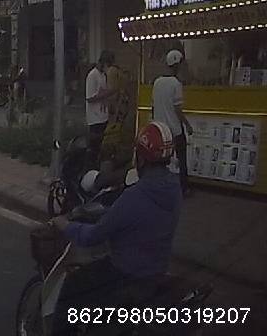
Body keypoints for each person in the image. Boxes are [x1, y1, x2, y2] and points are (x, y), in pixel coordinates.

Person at [52, 121, 182, 329]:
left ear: (140, 158)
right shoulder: (174, 189)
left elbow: (92, 237)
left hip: (124, 273)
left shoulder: (134, 196)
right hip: (156, 271)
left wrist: (65, 225)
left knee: (70, 290)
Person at [152, 50, 194, 196]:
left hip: (160, 129)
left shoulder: (157, 82)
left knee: (161, 160)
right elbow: (177, 109)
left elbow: (153, 106)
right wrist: (187, 125)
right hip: (174, 129)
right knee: (181, 159)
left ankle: (161, 186)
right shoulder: (176, 84)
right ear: (177, 65)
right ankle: (184, 188)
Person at [84, 52, 113, 165]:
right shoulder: (92, 76)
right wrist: (106, 94)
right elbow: (90, 98)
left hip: (103, 115)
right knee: (94, 146)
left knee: (101, 145)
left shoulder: (103, 75)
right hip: (95, 118)